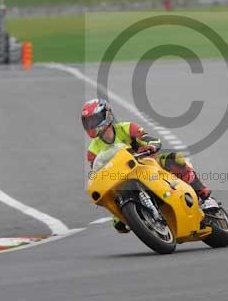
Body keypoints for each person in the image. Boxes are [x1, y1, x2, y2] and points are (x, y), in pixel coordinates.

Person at [82, 98, 212, 233]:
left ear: (107, 115)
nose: (91, 125)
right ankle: (144, 219)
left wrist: (150, 146)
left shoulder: (127, 128)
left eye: (94, 120)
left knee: (176, 159)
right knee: (118, 224)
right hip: (121, 180)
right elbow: (97, 171)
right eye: (88, 122)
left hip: (149, 164)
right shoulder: (92, 151)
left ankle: (203, 196)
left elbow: (149, 138)